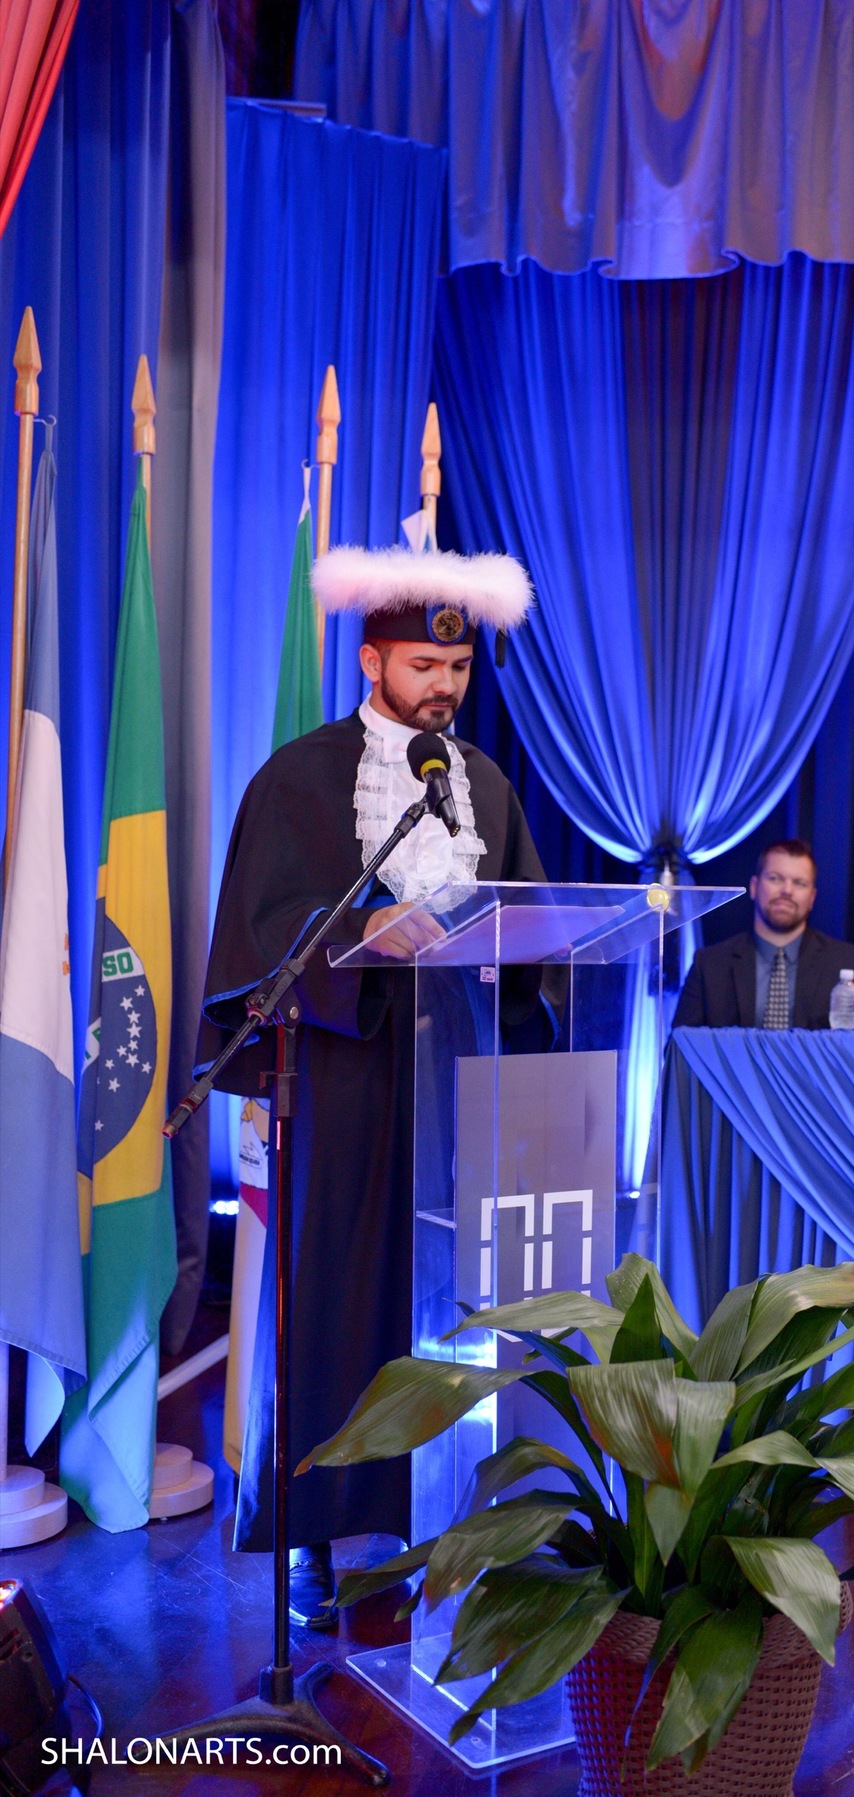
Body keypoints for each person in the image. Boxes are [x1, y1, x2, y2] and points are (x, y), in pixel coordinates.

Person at [196, 543, 542, 1627]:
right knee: (333, 1304)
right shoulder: (297, 778)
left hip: (456, 1082)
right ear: (370, 660)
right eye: (423, 666)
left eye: (459, 669)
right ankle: (312, 1536)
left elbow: (535, 919)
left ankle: (432, 1522)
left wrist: (511, 950)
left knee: (440, 1303)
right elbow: (255, 935)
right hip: (342, 1080)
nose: (444, 687)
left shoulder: (486, 784)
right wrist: (357, 929)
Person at [674, 838, 854, 1029]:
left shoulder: (843, 961)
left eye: (799, 883)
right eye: (775, 878)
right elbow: (679, 1046)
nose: (787, 890)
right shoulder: (710, 964)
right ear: (754, 887)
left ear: (812, 898)